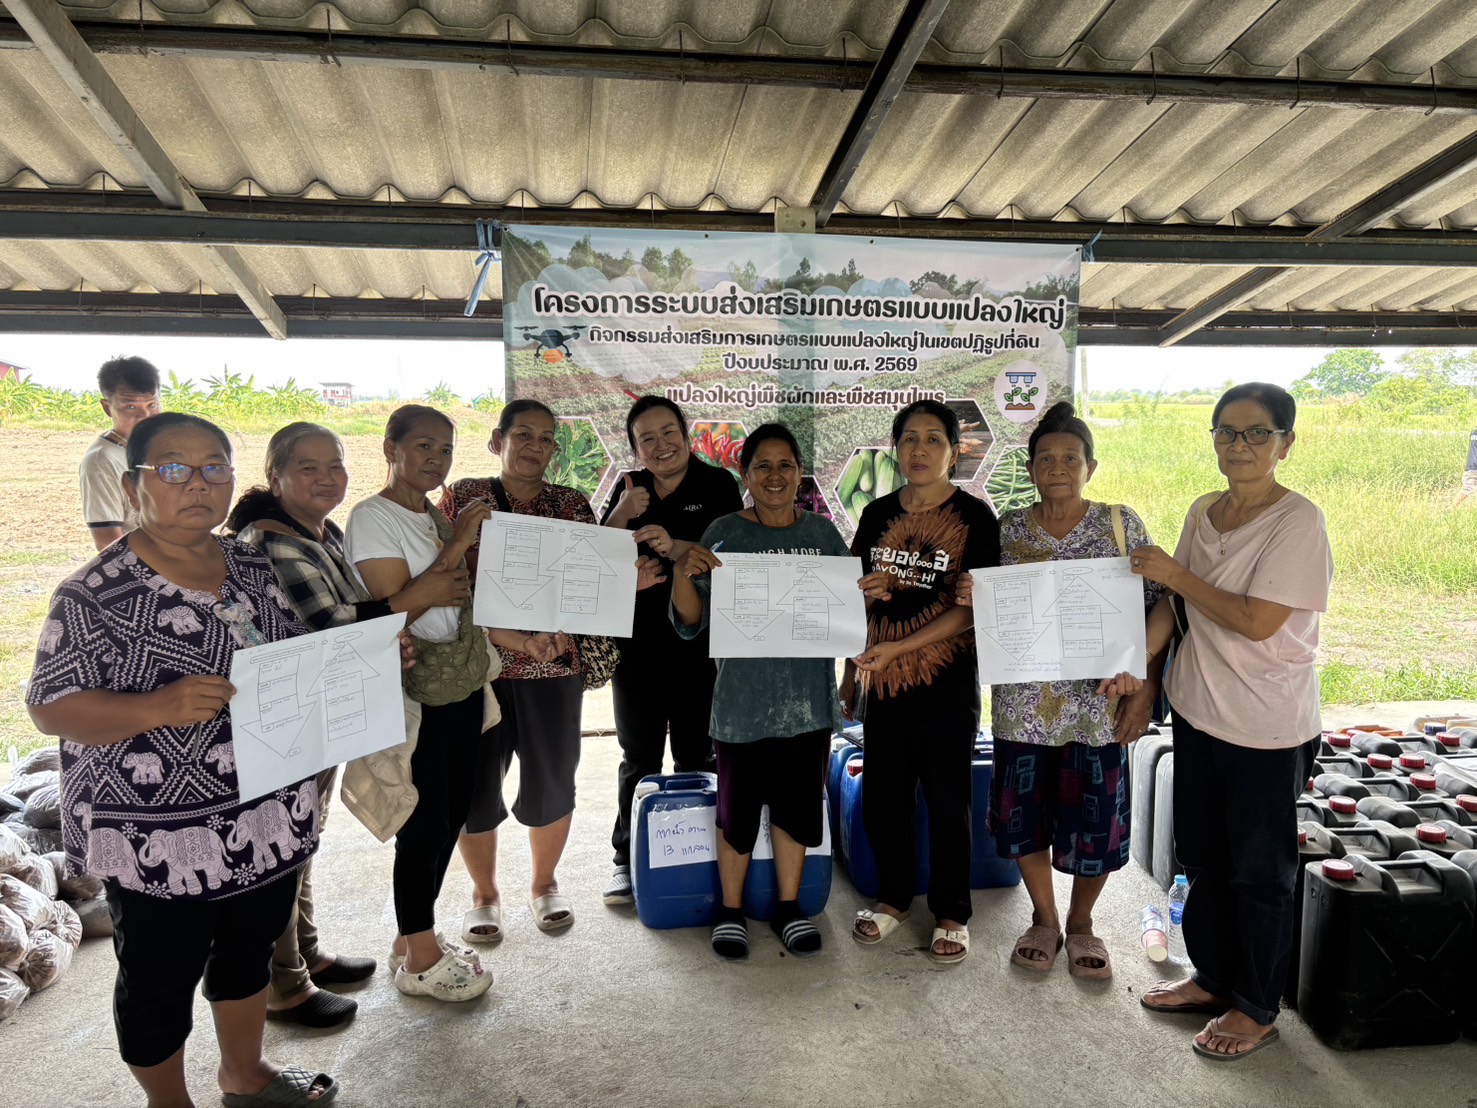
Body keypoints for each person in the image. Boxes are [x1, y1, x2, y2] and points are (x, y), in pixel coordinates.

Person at [27, 412, 337, 1108]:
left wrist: (357, 667)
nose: (198, 483)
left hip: (265, 812)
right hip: (159, 833)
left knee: (249, 949)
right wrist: (155, 707)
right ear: (132, 486)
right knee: (158, 976)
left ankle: (244, 1073)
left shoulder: (252, 565)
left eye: (214, 467)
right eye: (173, 469)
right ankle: (169, 1101)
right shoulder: (94, 594)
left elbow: (290, 654)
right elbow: (50, 705)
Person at [226, 422, 465, 1026]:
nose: (326, 478)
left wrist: (389, 636)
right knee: (281, 844)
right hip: (286, 713)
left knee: (304, 833)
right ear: (276, 475)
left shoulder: (322, 532)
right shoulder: (271, 541)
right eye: (308, 468)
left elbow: (358, 620)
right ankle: (285, 985)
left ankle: (306, 952)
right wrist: (416, 600)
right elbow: (331, 624)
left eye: (334, 465)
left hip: (320, 705)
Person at [1132, 383, 1332, 1060]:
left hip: (1265, 726)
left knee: (1259, 872)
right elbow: (1175, 607)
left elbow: (1255, 621)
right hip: (1197, 711)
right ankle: (1212, 978)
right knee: (1203, 856)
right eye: (1226, 431)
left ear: (1285, 444)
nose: (1238, 445)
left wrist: (1171, 574)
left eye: (1256, 433)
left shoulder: (1297, 523)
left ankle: (1255, 1007)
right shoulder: (1203, 510)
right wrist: (1136, 665)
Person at [974, 401, 1158, 978]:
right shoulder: (1007, 530)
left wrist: (1143, 682)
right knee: (1021, 816)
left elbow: (1164, 604)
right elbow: (986, 604)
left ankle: (1081, 922)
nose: (1058, 468)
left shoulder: (1119, 524)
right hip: (1023, 706)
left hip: (1096, 707)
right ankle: (1045, 918)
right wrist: (971, 596)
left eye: (1071, 458)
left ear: (1090, 467)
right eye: (1046, 459)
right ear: (1030, 469)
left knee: (1096, 823)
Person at [670, 423, 849, 961]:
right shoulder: (724, 532)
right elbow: (690, 621)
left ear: (799, 474)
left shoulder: (823, 535)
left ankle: (789, 908)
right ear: (745, 475)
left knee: (798, 811)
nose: (774, 476)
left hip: (808, 704)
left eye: (785, 465)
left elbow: (843, 612)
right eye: (762, 466)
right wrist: (683, 572)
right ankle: (730, 910)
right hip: (741, 705)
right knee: (737, 813)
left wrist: (864, 598)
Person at [842, 400, 1001, 964]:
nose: (920, 449)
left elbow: (971, 610)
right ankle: (893, 898)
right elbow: (854, 599)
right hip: (882, 684)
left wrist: (900, 647)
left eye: (934, 439)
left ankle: (952, 911)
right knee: (885, 796)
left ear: (954, 453)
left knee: (948, 798)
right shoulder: (876, 515)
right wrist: (850, 672)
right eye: (909, 438)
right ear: (895, 449)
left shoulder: (975, 517)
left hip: (946, 684)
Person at [345, 405, 495, 1002]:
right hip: (415, 690)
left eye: (446, 449)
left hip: (459, 684)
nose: (437, 459)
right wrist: (458, 544)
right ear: (392, 448)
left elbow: (456, 600)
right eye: (424, 446)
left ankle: (413, 939)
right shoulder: (372, 517)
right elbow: (396, 612)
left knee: (453, 813)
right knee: (423, 821)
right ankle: (420, 961)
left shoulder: (431, 514)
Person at [440, 399, 598, 940]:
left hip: (553, 669)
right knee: (475, 785)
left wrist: (563, 635)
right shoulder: (465, 498)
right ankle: (484, 894)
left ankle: (545, 884)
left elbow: (589, 584)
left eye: (546, 438)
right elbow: (443, 573)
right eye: (523, 434)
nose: (535, 446)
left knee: (553, 777)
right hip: (479, 669)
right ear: (497, 440)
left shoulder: (571, 504)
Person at [599, 396, 742, 905]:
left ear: (685, 434)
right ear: (635, 448)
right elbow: (593, 559)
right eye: (647, 439)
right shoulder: (628, 487)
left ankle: (694, 856)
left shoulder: (718, 484)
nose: (660, 445)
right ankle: (625, 859)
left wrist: (673, 545)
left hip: (699, 647)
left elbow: (728, 559)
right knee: (637, 755)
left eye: (668, 433)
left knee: (695, 755)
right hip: (636, 647)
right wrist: (622, 514)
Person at [80, 356, 161, 551]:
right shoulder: (101, 461)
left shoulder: (160, 447)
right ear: (107, 408)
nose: (145, 416)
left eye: (152, 405)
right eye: (130, 407)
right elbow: (108, 542)